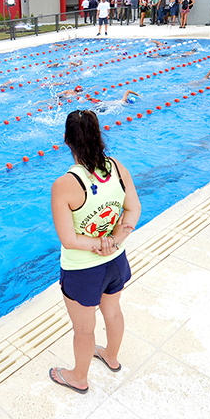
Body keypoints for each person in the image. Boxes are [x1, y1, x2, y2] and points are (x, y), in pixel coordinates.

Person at [49, 109, 141, 394]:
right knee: (112, 312)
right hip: (116, 262)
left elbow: (68, 239)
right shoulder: (116, 167)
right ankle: (111, 357)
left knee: (84, 329)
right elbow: (133, 209)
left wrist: (97, 244)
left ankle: (78, 376)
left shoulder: (65, 185)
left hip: (82, 271)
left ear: (66, 140)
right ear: (99, 135)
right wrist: (113, 240)